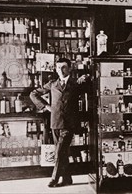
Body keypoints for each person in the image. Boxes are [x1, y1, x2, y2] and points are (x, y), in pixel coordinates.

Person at [30, 58, 90, 188]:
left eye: (63, 67)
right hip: (55, 122)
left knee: (59, 152)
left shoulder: (76, 84)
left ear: (69, 68)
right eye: (58, 68)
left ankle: (54, 178)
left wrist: (87, 77)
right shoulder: (52, 84)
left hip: (69, 124)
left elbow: (89, 87)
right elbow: (33, 94)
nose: (61, 70)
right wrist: (46, 107)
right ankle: (67, 178)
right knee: (62, 152)